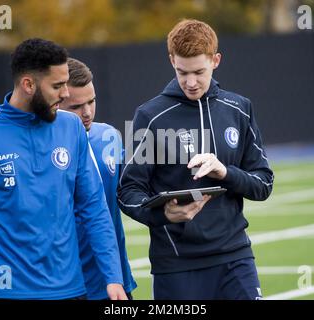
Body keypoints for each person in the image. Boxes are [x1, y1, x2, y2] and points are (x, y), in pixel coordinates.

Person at [0, 38, 127, 300]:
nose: (66, 94)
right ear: (28, 84)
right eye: (57, 86)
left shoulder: (71, 127)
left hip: (73, 291)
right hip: (9, 292)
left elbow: (94, 207)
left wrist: (112, 277)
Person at [117, 19, 274, 300]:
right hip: (176, 266)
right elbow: (127, 192)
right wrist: (162, 214)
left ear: (216, 60)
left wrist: (225, 172)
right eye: (182, 72)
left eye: (199, 72)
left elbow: (264, 184)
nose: (190, 82)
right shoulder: (148, 116)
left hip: (235, 257)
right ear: (171, 61)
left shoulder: (239, 108)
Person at [60, 58, 137, 299]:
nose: (87, 112)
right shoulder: (41, 150)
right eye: (76, 106)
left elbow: (129, 193)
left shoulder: (109, 137)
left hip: (114, 282)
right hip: (65, 285)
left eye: (92, 101)